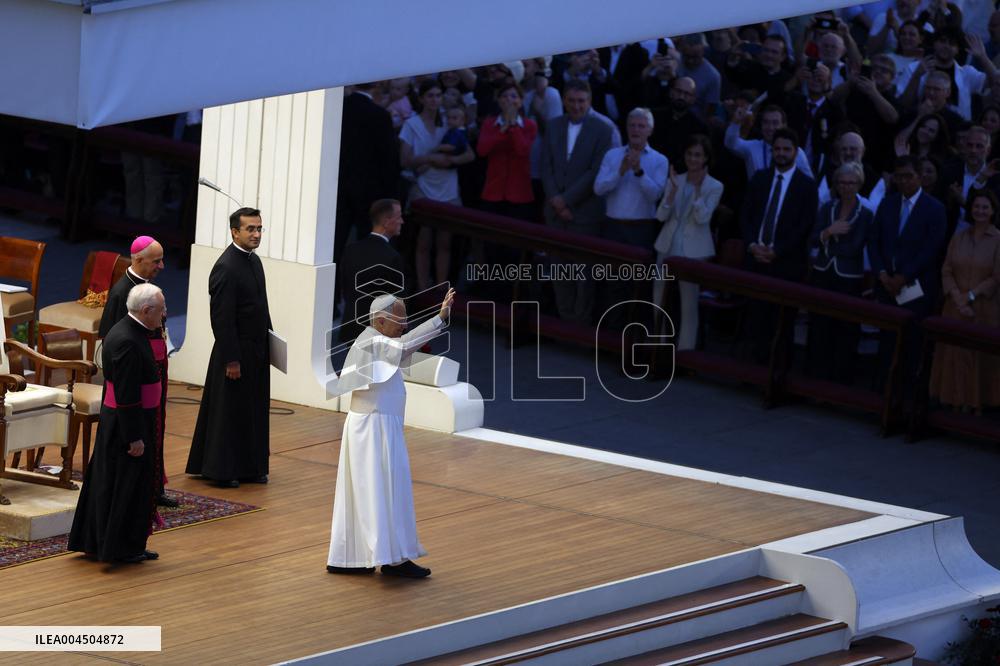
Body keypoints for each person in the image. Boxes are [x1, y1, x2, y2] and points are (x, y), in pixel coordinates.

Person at [326, 288, 456, 578]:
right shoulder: (374, 343)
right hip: (374, 429)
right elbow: (407, 345)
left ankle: (363, 557)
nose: (404, 325)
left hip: (377, 427)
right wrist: (439, 318)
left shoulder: (377, 341)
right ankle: (388, 559)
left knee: (374, 493)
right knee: (381, 492)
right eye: (400, 320)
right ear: (381, 321)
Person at [68, 283, 167, 563]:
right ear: (146, 310)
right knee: (124, 486)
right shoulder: (127, 340)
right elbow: (126, 395)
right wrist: (134, 437)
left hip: (135, 419)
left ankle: (126, 543)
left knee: (130, 485)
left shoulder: (133, 331)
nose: (164, 314)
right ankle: (119, 547)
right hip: (128, 425)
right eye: (160, 309)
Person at [186, 208, 272, 488]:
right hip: (234, 352)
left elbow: (261, 307)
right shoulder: (226, 266)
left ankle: (251, 466)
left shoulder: (254, 261)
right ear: (235, 231)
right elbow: (222, 319)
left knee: (253, 409)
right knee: (230, 412)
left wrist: (270, 343)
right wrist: (231, 359)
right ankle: (223, 470)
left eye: (259, 228)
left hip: (256, 349)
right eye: (250, 229)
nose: (256, 234)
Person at [96, 235, 176, 508]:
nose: (162, 266)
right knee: (140, 431)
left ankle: (153, 485)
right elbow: (112, 341)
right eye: (156, 261)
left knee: (156, 427)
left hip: (152, 371)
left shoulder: (145, 288)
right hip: (133, 380)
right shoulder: (122, 293)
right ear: (138, 260)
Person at [868, 155, 947, 388]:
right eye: (899, 177)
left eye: (908, 176)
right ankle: (882, 390)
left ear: (920, 177)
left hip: (916, 289)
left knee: (911, 343)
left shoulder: (935, 208)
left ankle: (905, 395)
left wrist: (903, 277)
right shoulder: (888, 203)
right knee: (886, 341)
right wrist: (882, 273)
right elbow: (874, 240)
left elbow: (931, 249)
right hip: (886, 284)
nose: (903, 182)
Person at [740, 128, 818, 362]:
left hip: (786, 265)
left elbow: (804, 227)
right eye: (777, 149)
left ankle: (776, 376)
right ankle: (750, 372)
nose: (781, 154)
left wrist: (777, 251)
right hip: (756, 260)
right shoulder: (760, 178)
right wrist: (753, 245)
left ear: (796, 152)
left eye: (786, 149)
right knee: (755, 320)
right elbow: (746, 215)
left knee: (782, 324)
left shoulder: (807, 186)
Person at [540, 79, 613, 323]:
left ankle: (580, 325)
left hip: (585, 214)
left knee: (584, 274)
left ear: (589, 101)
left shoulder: (604, 129)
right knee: (559, 271)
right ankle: (564, 319)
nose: (576, 105)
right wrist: (556, 202)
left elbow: (595, 171)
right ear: (563, 100)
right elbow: (546, 166)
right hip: (554, 212)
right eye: (571, 100)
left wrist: (567, 201)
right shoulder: (553, 125)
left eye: (581, 101)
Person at [400, 80, 475, 291]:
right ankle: (423, 288)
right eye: (430, 95)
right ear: (422, 98)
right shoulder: (411, 124)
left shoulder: (449, 121)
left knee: (445, 243)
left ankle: (441, 289)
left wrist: (450, 161)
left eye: (438, 95)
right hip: (424, 186)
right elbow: (405, 159)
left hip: (448, 187)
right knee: (424, 241)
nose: (434, 100)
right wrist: (431, 158)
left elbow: (469, 154)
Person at [930, 189, 1000, 413]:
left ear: (992, 211)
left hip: (983, 308)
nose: (980, 211)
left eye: (985, 207)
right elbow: (947, 269)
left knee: (978, 357)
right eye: (976, 206)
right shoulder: (959, 236)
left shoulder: (998, 239)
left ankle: (977, 404)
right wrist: (957, 297)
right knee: (954, 354)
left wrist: (971, 296)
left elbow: (996, 277)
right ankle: (952, 400)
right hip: (954, 306)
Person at [334, 82, 399, 316]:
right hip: (369, 196)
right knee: (368, 252)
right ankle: (363, 307)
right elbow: (389, 161)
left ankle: (329, 304)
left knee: (333, 248)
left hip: (337, 190)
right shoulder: (380, 115)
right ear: (375, 87)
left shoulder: (339, 109)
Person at [653, 134, 723, 349]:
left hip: (693, 251)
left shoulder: (714, 186)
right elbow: (660, 217)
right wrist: (672, 193)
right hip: (667, 245)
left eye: (698, 155)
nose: (693, 159)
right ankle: (658, 347)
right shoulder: (676, 180)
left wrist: (699, 192)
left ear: (706, 159)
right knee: (657, 300)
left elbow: (703, 218)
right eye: (690, 154)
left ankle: (685, 354)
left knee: (689, 305)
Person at [806, 162, 873, 384]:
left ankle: (840, 380)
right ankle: (816, 376)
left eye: (851, 182)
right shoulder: (827, 208)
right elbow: (813, 237)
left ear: (859, 184)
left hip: (848, 279)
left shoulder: (866, 213)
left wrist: (826, 240)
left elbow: (854, 248)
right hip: (822, 273)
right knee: (819, 326)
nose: (846, 187)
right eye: (842, 182)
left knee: (844, 329)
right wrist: (828, 231)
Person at [337, 199, 406, 345]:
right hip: (377, 335)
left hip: (350, 328)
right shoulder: (392, 258)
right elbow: (396, 305)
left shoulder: (351, 249)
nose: (402, 221)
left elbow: (345, 289)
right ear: (387, 222)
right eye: (399, 216)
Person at [477, 82, 539, 219]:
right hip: (493, 192)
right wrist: (502, 130)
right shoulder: (489, 123)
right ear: (498, 101)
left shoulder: (530, 125)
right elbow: (482, 150)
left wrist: (513, 127)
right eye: (504, 96)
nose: (509, 99)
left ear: (521, 101)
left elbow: (522, 150)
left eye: (514, 96)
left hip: (520, 193)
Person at [724, 104, 814, 179]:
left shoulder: (796, 153)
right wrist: (736, 122)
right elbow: (731, 143)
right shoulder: (753, 148)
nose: (770, 127)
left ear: (784, 125)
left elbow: (809, 183)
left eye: (775, 123)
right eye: (766, 122)